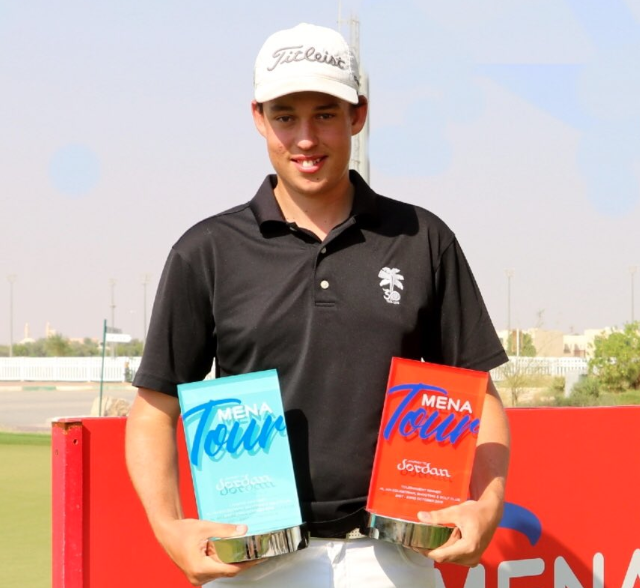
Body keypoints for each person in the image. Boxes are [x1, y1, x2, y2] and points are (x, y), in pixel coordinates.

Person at [125, 22, 510, 588]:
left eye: (325, 114)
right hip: (253, 560)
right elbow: (155, 409)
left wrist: (487, 505)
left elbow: (479, 394)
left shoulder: (422, 238)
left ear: (358, 115)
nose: (305, 138)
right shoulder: (206, 250)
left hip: (394, 558)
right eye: (285, 117)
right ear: (258, 118)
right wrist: (168, 527)